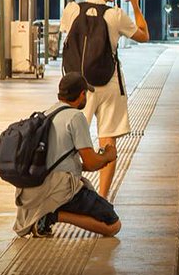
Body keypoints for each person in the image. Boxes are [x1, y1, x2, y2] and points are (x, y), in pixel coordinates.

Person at [59, 0, 149, 200]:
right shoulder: (114, 15)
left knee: (70, 143)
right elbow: (143, 35)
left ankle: (70, 194)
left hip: (78, 88)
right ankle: (103, 198)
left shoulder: (71, 10)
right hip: (108, 84)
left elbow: (67, 37)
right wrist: (135, 4)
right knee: (108, 141)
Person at [13, 73, 121, 238]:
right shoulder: (76, 117)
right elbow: (91, 164)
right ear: (81, 95)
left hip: (35, 187)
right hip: (60, 187)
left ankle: (48, 212)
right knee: (113, 225)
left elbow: (65, 162)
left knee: (90, 197)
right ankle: (52, 215)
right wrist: (108, 155)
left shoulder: (47, 113)